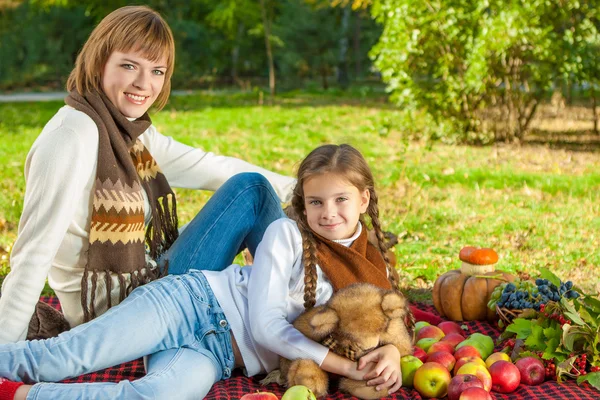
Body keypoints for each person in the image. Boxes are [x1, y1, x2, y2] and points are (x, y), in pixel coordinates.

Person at [0, 143, 411, 400]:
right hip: (188, 304)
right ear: (302, 203)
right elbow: (266, 325)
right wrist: (342, 367)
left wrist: (391, 351)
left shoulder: (370, 266)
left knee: (160, 395)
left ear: (363, 199)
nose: (328, 213)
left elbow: (389, 323)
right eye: (315, 202)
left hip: (216, 354)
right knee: (62, 357)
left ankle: (19, 395)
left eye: (340, 199)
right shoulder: (288, 235)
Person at [0, 5, 295, 345]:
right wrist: (6, 355)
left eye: (157, 71)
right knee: (251, 193)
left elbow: (212, 166)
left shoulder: (127, 134)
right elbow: (32, 254)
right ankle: (307, 315)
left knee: (252, 196)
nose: (145, 83)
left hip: (144, 282)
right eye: (129, 66)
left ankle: (312, 306)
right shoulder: (72, 137)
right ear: (99, 63)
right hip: (114, 315)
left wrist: (301, 190)